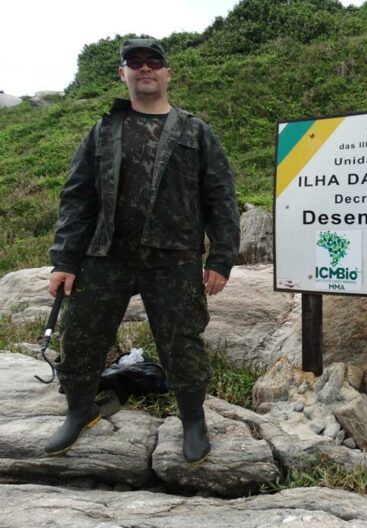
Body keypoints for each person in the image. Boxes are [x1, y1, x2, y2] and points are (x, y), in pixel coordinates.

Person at [45, 38, 240, 464]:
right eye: (136, 63)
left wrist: (221, 258)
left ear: (167, 73)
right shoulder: (103, 130)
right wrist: (65, 260)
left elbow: (221, 197)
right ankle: (79, 409)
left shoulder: (195, 131)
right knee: (79, 336)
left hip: (174, 259)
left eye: (154, 62)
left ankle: (193, 420)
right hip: (105, 256)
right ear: (123, 74)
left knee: (182, 343)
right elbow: (77, 198)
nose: (145, 69)